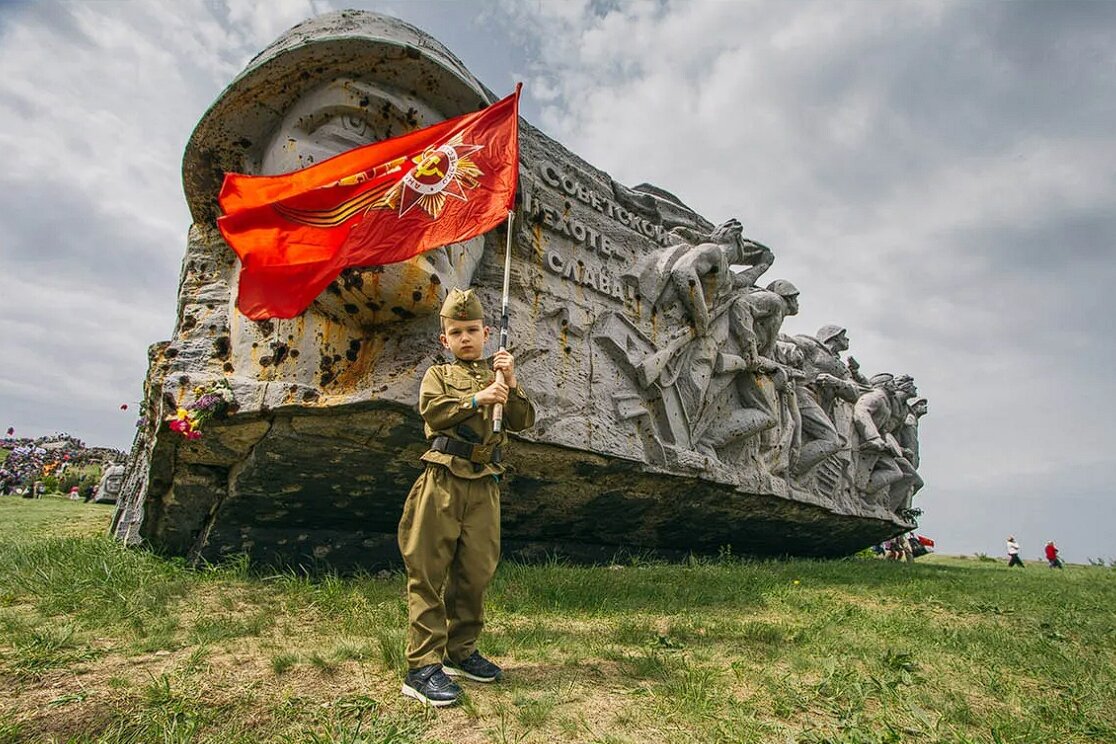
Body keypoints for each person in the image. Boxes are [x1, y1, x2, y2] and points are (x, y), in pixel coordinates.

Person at [398, 288, 535, 708]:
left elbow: (523, 421)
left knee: (475, 573)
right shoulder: (438, 375)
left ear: (486, 332)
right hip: (443, 479)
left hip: (484, 482)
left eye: (472, 330)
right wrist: (477, 399)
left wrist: (509, 385)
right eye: (456, 332)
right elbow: (433, 411)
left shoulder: (498, 374)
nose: (465, 338)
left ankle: (461, 651)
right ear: (445, 339)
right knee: (428, 571)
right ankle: (421, 667)